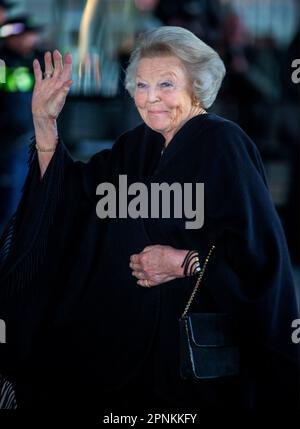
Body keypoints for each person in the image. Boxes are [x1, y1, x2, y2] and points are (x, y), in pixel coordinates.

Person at [0, 26, 298, 414]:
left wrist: (184, 263)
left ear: (197, 84)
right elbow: (72, 199)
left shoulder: (224, 145)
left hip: (195, 366)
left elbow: (260, 258)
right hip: (132, 356)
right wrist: (45, 122)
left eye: (166, 84)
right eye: (141, 85)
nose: (151, 97)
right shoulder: (137, 145)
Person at [0, 15, 43, 234]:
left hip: (30, 137)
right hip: (9, 140)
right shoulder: (3, 61)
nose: (31, 39)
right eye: (25, 35)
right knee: (10, 200)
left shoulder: (39, 60)